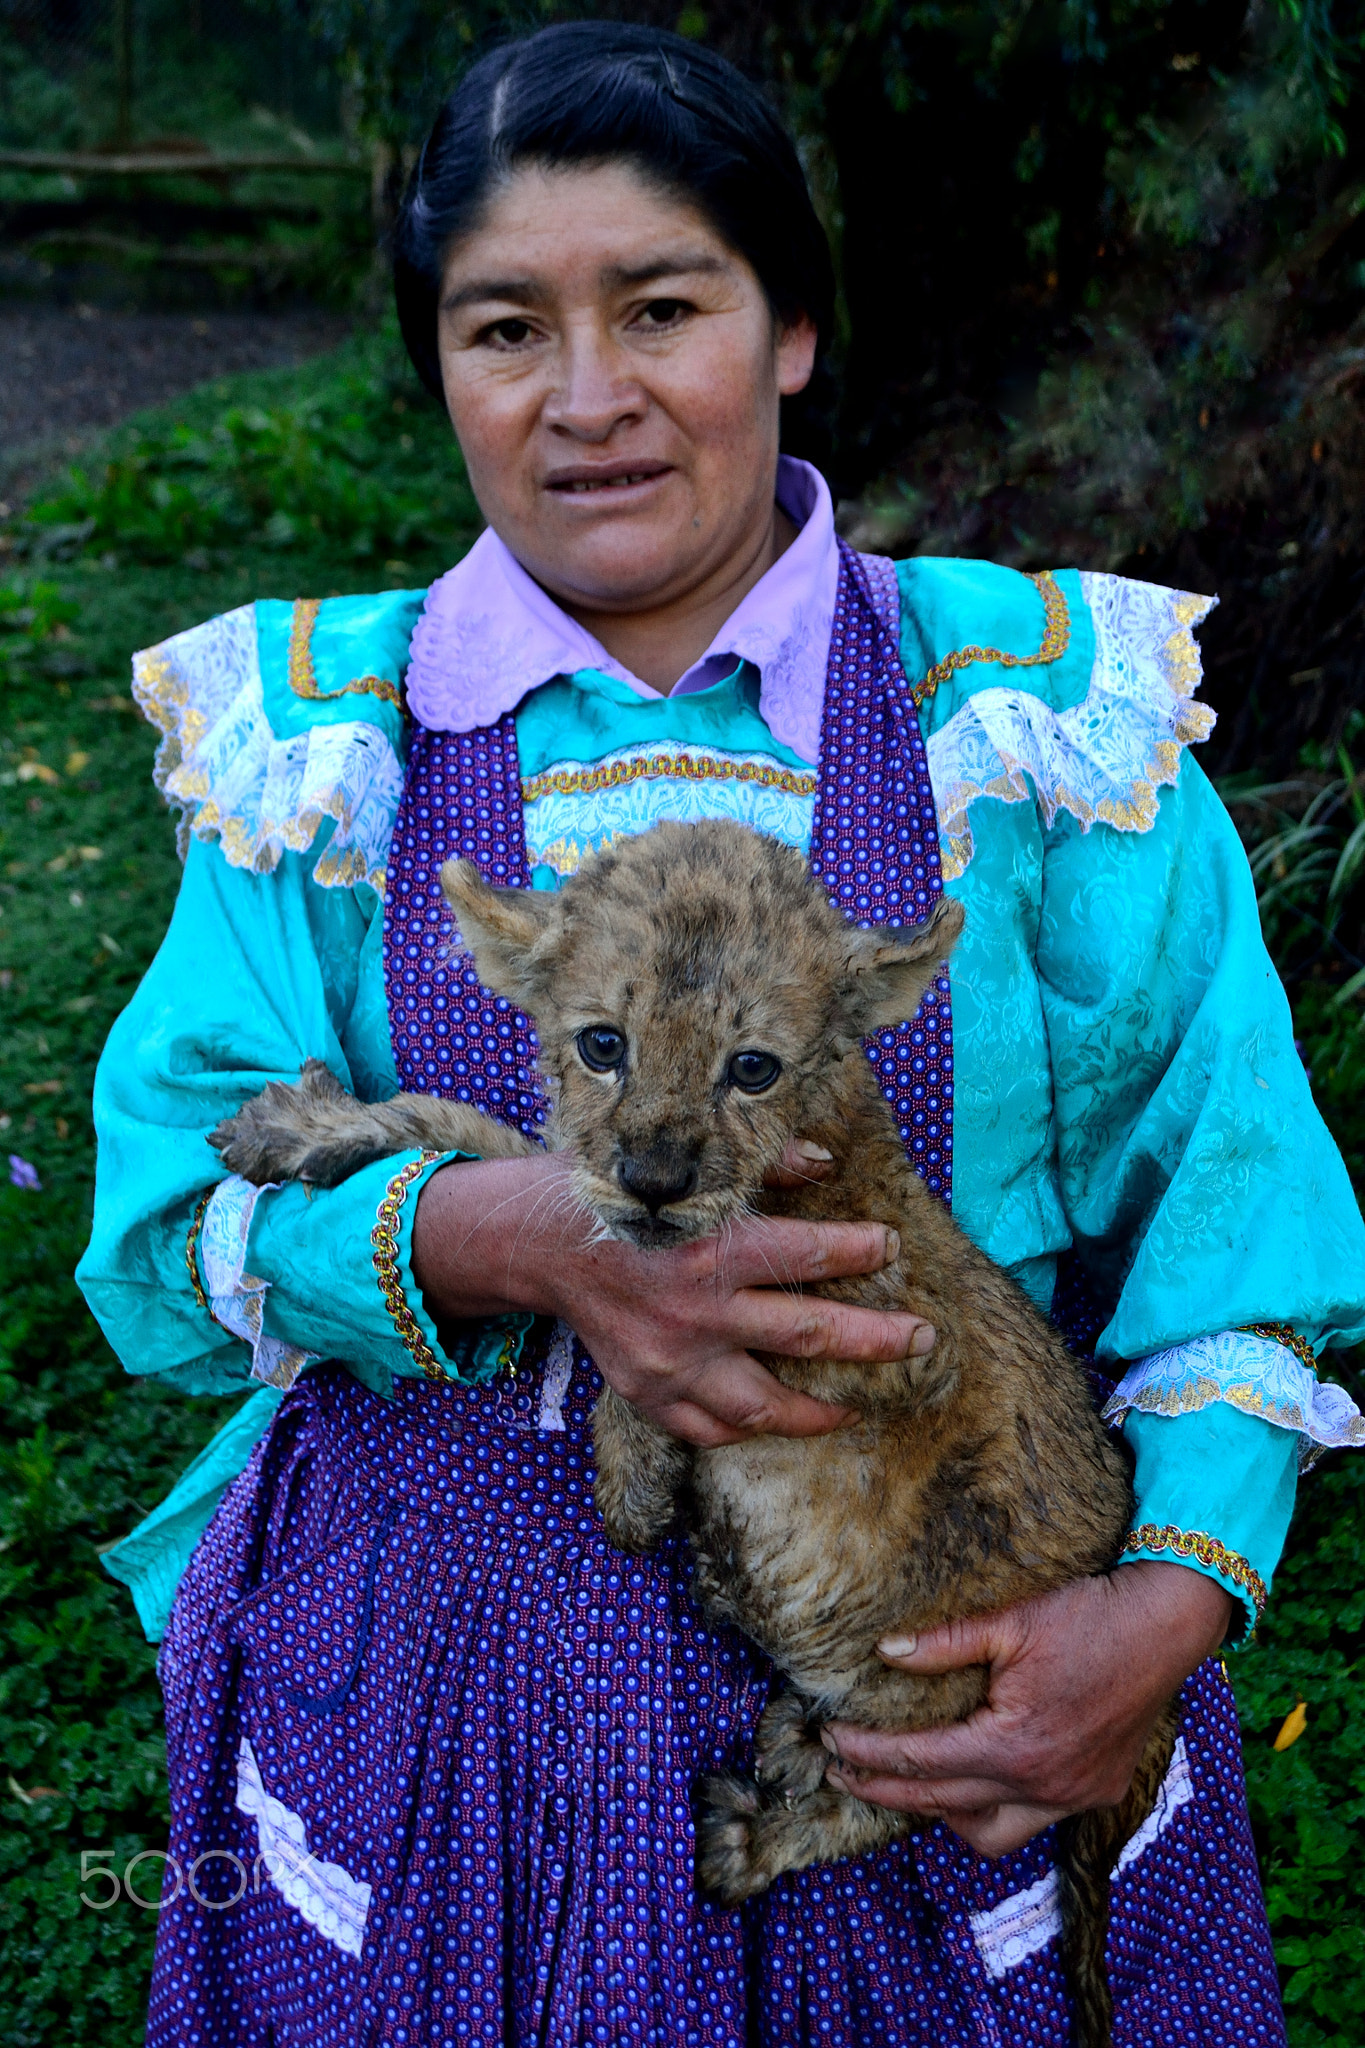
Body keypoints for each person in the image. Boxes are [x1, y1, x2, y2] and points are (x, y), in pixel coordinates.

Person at [78, 21, 1365, 2047]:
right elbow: (163, 1247)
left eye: (661, 307)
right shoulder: (325, 759)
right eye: (505, 327)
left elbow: (1231, 1229)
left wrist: (1165, 1601)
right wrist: (489, 1240)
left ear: (786, 329)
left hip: (946, 1714)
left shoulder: (1035, 736)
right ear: (437, 361)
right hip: (442, 1719)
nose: (585, 400)